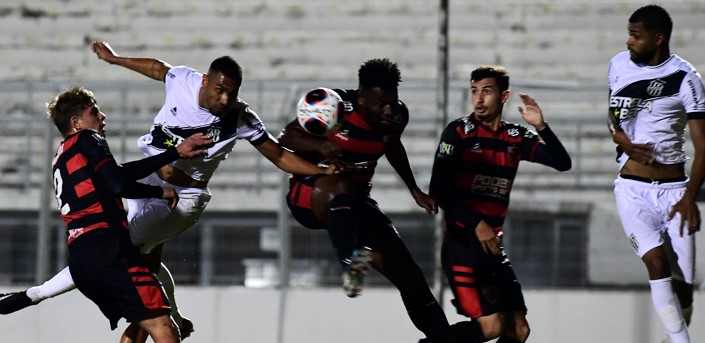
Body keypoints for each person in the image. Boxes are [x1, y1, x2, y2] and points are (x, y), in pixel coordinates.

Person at [0, 41, 335, 342]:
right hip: (150, 185)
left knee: (119, 251)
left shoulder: (240, 117)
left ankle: (37, 294)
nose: (225, 99)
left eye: (231, 93)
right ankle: (172, 318)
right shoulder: (184, 82)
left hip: (182, 197)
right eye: (220, 90)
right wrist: (116, 60)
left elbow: (278, 155)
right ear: (205, 80)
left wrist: (319, 171)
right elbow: (159, 69)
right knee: (139, 263)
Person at [278, 58, 452, 343]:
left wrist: (413, 189)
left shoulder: (396, 117)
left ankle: (443, 338)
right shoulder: (332, 106)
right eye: (379, 103)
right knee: (341, 186)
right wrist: (319, 144)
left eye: (392, 101)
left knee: (409, 275)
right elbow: (287, 136)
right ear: (360, 99)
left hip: (355, 203)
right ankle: (350, 263)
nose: (387, 109)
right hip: (311, 196)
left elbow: (392, 146)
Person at [45, 85, 210, 342]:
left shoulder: (62, 154)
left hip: (83, 254)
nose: (102, 117)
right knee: (163, 326)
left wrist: (174, 152)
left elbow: (118, 173)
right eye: (94, 112)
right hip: (108, 248)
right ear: (76, 122)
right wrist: (159, 193)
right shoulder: (89, 139)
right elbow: (119, 185)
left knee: (145, 319)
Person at [428, 66, 571, 343]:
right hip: (462, 245)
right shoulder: (458, 133)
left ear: (504, 96)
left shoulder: (515, 138)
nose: (479, 99)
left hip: (491, 248)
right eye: (474, 91)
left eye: (487, 91)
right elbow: (438, 191)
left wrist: (541, 126)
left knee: (519, 330)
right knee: (491, 327)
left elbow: (562, 163)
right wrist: (477, 223)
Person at [607, 5, 705, 343]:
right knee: (656, 263)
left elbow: (703, 146)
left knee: (684, 289)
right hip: (632, 190)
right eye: (629, 34)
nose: (629, 41)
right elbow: (612, 110)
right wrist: (619, 138)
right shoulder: (618, 65)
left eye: (636, 35)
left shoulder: (685, 77)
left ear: (658, 38)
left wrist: (690, 198)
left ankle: (675, 331)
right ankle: (681, 341)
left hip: (675, 193)